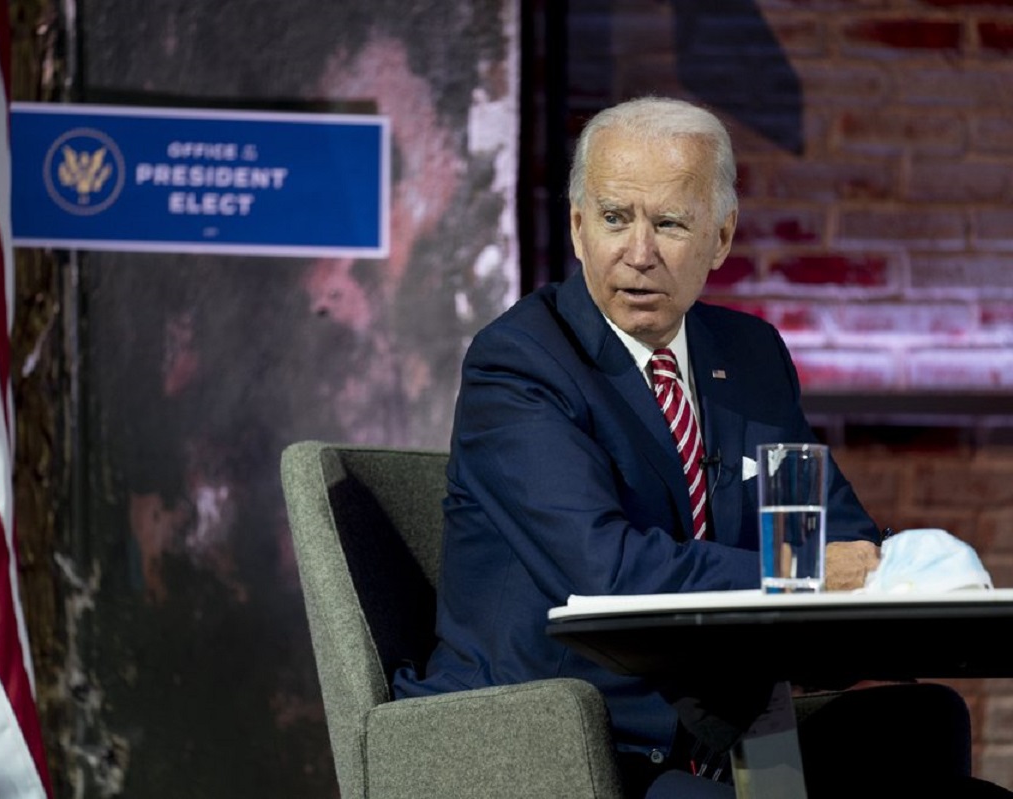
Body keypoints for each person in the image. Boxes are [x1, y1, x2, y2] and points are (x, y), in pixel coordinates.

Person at [392, 96, 1013, 798]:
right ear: (576, 226)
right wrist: (803, 577)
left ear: (720, 237)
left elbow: (837, 537)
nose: (638, 253)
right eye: (614, 217)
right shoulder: (520, 363)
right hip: (564, 737)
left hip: (730, 730)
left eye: (670, 223)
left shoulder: (749, 355)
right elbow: (606, 569)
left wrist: (898, 573)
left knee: (927, 731)